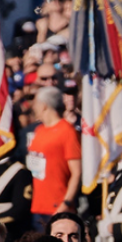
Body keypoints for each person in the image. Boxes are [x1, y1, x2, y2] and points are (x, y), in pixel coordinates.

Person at [26, 86, 81, 231]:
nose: (33, 107)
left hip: (58, 205)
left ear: (43, 105)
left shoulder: (67, 131)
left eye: (36, 103)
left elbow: (76, 172)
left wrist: (66, 203)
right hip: (38, 205)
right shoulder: (39, 130)